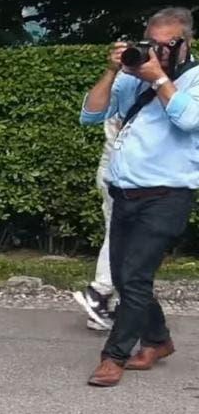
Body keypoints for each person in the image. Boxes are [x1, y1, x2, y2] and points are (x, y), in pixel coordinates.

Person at [79, 7, 199, 387]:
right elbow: (90, 114)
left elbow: (188, 119)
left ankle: (113, 356)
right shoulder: (132, 77)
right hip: (125, 193)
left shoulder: (195, 79)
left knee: (133, 277)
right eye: (153, 44)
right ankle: (158, 340)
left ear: (186, 43)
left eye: (168, 45)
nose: (159, 51)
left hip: (167, 195)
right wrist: (113, 70)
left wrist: (158, 78)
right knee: (124, 276)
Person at [73, 115, 124, 331]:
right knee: (124, 236)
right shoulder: (133, 96)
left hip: (117, 168)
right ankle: (101, 292)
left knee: (120, 234)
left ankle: (111, 303)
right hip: (124, 173)